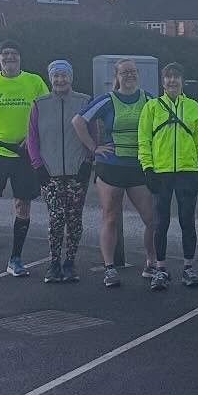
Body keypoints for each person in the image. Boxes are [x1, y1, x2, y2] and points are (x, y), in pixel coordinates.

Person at [0, 42, 48, 282]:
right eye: (5, 54)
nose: (9, 58)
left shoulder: (34, 82)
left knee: (23, 206)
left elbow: (46, 112)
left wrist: (34, 138)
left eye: (14, 54)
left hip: (24, 156)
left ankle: (16, 259)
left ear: (21, 58)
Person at [74, 58, 155, 289]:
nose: (129, 75)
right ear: (116, 76)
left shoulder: (148, 99)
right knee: (110, 216)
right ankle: (109, 267)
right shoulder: (107, 100)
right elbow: (78, 121)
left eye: (133, 72)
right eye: (124, 72)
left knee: (151, 219)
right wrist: (93, 147)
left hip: (139, 166)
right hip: (111, 166)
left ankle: (151, 262)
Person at [138, 62, 198, 292]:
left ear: (183, 81)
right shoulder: (152, 107)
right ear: (162, 82)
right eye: (168, 77)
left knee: (188, 220)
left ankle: (188, 267)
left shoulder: (194, 106)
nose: (172, 81)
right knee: (160, 222)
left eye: (176, 77)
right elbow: (144, 140)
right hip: (161, 171)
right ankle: (161, 268)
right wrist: (147, 168)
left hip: (187, 170)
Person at [25, 60, 92, 284]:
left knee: (74, 219)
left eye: (64, 76)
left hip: (76, 172)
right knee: (56, 218)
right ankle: (54, 262)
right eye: (56, 76)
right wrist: (37, 165)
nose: (60, 80)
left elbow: (94, 133)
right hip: (50, 172)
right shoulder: (39, 104)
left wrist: (88, 162)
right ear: (50, 79)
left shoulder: (84, 102)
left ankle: (70, 261)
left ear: (71, 78)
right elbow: (32, 138)